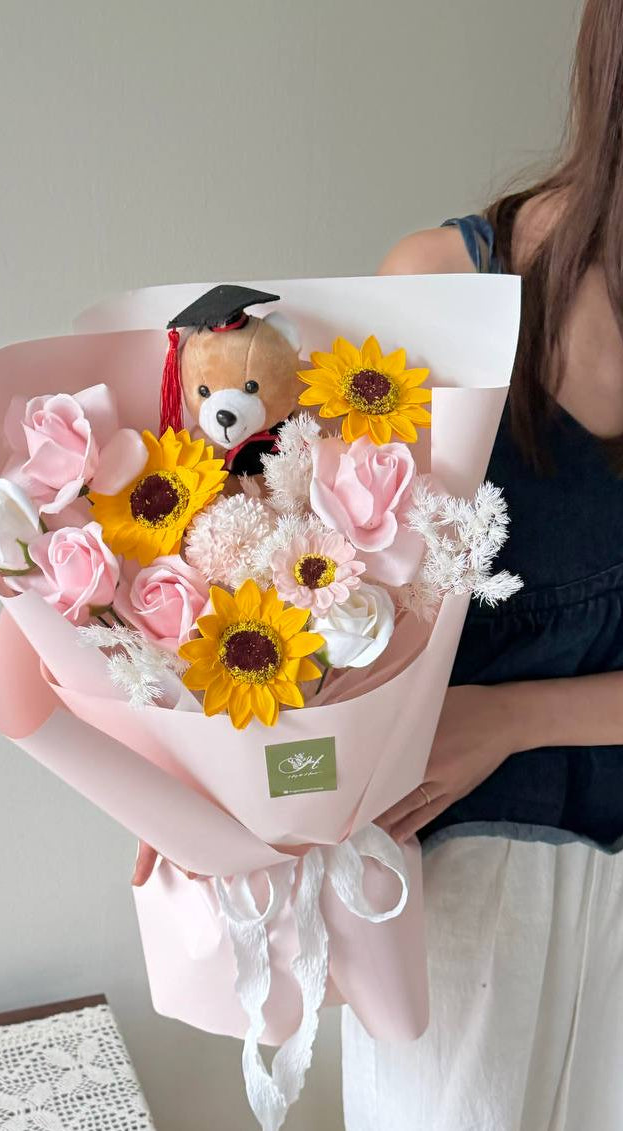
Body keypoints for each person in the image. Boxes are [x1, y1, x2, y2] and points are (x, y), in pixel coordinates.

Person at [342, 0, 623, 1127]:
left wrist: (510, 718)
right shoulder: (440, 285)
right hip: (453, 880)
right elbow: (325, 608)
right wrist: (219, 807)